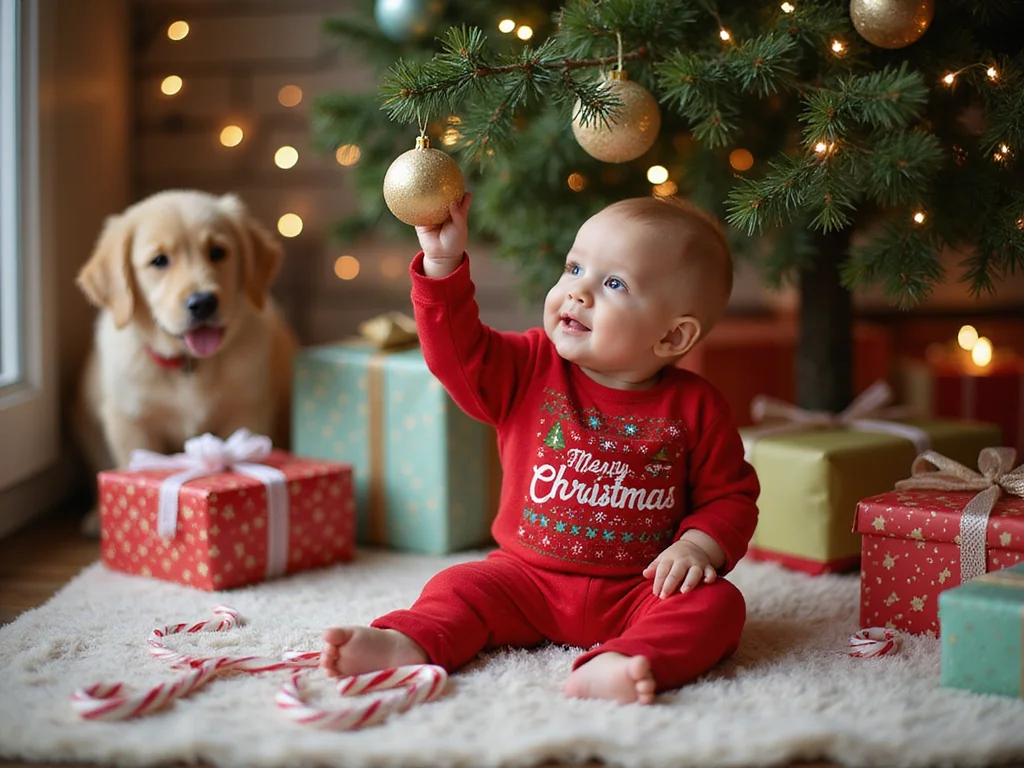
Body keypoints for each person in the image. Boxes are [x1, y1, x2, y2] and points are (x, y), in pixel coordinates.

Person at [321, 193, 759, 704]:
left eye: (613, 283)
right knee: (458, 586)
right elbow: (458, 352)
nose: (577, 293)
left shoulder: (696, 406)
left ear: (672, 335)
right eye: (574, 268)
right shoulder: (529, 367)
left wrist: (695, 547)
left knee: (719, 606)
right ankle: (408, 642)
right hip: (524, 579)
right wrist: (443, 266)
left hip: (637, 591)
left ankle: (627, 661)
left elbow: (730, 497)